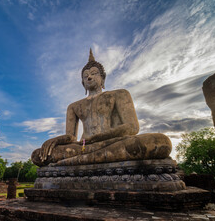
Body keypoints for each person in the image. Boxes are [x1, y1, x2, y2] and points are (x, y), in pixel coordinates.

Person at [31, 49, 172, 167]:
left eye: (93, 73)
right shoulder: (74, 106)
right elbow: (71, 137)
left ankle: (71, 163)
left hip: (112, 143)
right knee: (38, 155)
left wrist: (98, 137)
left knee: (160, 142)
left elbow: (132, 127)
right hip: (84, 147)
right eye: (85, 76)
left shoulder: (119, 94)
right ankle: (83, 159)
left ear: (103, 78)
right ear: (82, 82)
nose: (89, 77)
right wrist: (55, 141)